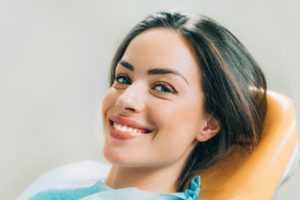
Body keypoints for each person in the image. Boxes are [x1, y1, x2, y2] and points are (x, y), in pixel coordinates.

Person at [18, 11, 267, 200]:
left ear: (209, 123)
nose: (125, 99)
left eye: (162, 88)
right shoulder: (73, 176)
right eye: (123, 79)